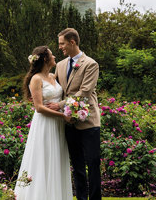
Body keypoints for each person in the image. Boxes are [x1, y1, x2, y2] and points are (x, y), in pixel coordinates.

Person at [46, 28, 101, 200]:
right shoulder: (61, 65)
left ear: (72, 42)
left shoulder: (91, 64)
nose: (60, 47)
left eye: (62, 43)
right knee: (77, 165)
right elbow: (54, 86)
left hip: (89, 122)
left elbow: (84, 92)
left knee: (92, 164)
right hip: (69, 122)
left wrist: (60, 105)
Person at [14, 46, 73, 200]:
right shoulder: (36, 79)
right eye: (52, 55)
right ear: (46, 59)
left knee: (56, 159)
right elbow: (39, 108)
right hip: (45, 124)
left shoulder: (53, 77)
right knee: (43, 158)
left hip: (57, 126)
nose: (55, 56)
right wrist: (62, 116)